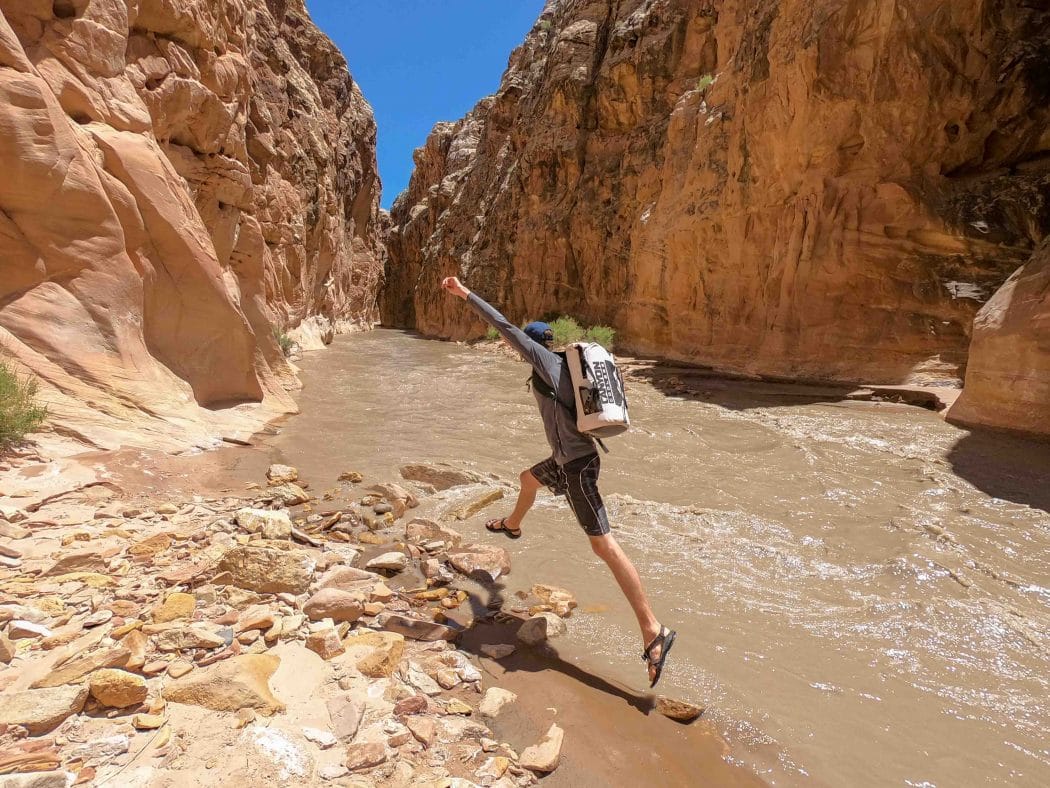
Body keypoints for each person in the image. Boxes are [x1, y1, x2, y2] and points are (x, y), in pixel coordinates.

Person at [441, 276, 676, 687]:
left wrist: (465, 294)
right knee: (527, 478)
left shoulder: (545, 364)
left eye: (520, 347)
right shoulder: (559, 370)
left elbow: (503, 325)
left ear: (532, 346)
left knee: (603, 545)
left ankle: (653, 629)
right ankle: (512, 525)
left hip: (579, 467)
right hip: (567, 460)